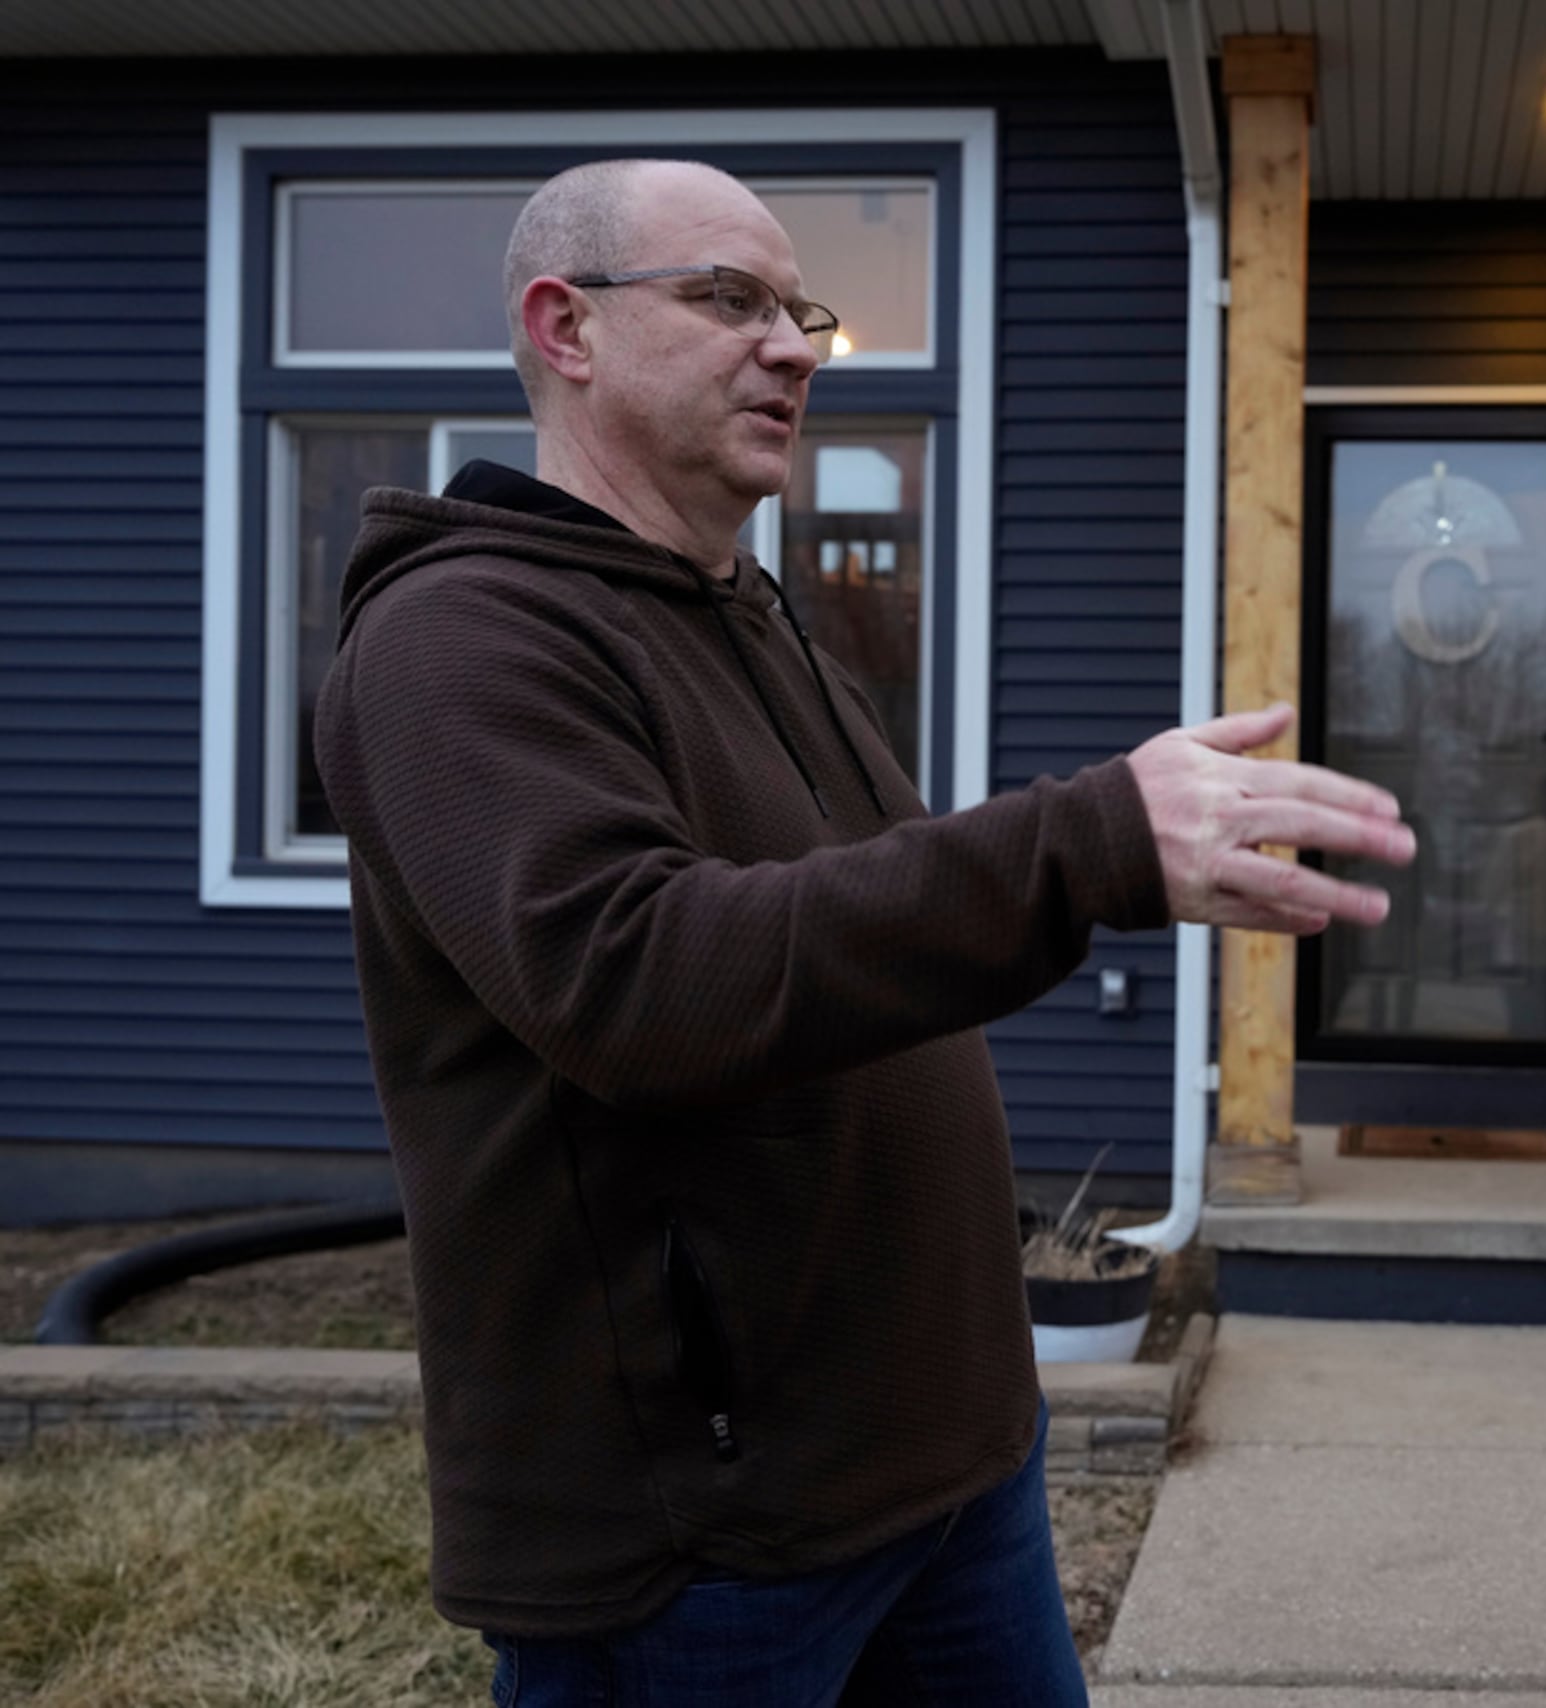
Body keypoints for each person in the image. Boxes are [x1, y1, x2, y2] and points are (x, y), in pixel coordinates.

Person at [314, 158, 1414, 1708]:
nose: (795, 346)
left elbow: (851, 933)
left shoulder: (756, 623)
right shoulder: (460, 637)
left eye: (802, 311)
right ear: (565, 328)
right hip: (707, 1541)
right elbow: (636, 980)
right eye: (729, 300)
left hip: (953, 1463)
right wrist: (1088, 840)